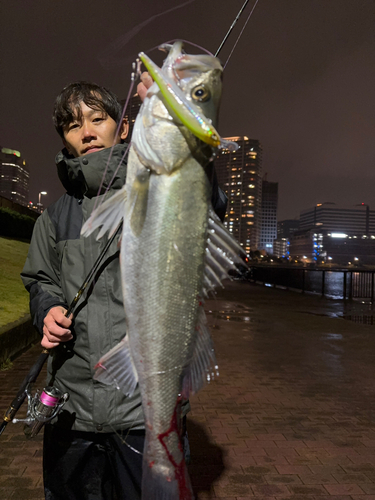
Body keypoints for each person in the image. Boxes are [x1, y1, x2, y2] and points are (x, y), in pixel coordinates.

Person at [21, 78, 227, 500]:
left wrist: (177, 114)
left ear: (125, 127)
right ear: (64, 137)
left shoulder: (157, 191)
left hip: (142, 412)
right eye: (74, 125)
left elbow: (206, 200)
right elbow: (41, 280)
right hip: (71, 409)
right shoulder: (55, 217)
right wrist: (47, 311)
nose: (88, 132)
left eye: (99, 119)